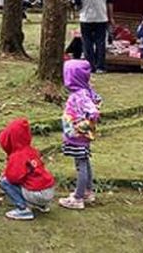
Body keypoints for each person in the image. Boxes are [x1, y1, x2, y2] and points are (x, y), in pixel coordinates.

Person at [58, 60, 101, 210]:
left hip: (77, 136)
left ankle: (78, 197)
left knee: (80, 165)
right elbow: (98, 100)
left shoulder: (79, 95)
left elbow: (94, 111)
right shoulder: (86, 90)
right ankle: (87, 191)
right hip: (82, 136)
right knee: (85, 161)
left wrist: (83, 124)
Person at [0, 117, 56, 220]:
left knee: (4, 182)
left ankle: (23, 209)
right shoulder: (31, 150)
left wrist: (6, 173)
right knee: (31, 177)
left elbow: (13, 178)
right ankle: (42, 205)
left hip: (38, 194)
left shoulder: (18, 155)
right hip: (49, 190)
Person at [74, 0, 114, 74]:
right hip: (101, 17)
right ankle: (101, 66)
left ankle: (90, 66)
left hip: (86, 17)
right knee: (101, 42)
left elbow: (77, 1)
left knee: (87, 42)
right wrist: (111, 17)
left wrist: (78, 8)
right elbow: (109, 2)